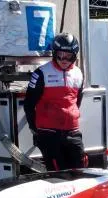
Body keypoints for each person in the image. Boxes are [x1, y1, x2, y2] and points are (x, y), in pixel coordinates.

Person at [24, 32, 85, 172]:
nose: (64, 59)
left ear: (74, 55)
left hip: (72, 130)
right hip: (49, 132)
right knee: (57, 173)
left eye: (68, 56)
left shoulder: (78, 73)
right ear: (54, 53)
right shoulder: (41, 73)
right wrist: (35, 129)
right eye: (60, 55)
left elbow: (77, 101)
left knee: (80, 169)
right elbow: (29, 104)